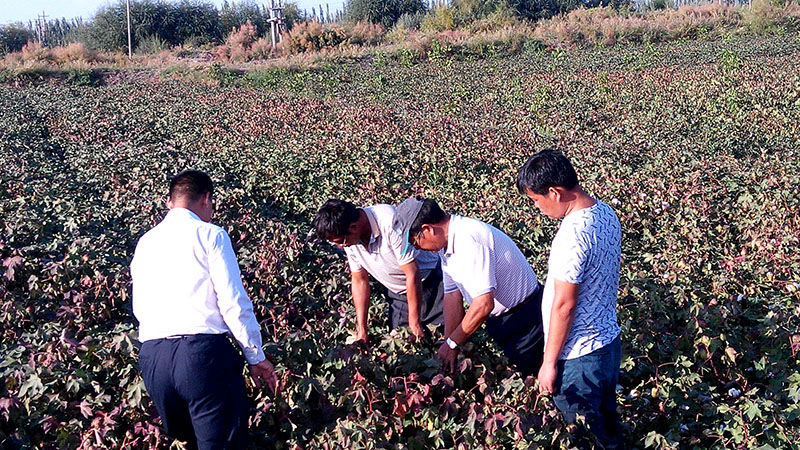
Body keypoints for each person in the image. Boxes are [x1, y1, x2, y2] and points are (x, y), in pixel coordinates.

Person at [131, 170, 277, 450]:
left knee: (188, 441)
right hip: (202, 356)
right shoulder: (210, 234)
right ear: (207, 199)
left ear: (169, 202)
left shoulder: (146, 241)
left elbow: (140, 306)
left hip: (153, 359)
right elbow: (232, 301)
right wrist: (255, 355)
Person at [517, 149, 623, 449]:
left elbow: (565, 305)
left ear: (555, 192)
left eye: (537, 200)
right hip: (607, 345)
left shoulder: (573, 235)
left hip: (579, 357)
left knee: (582, 439)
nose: (537, 208)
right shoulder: (605, 212)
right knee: (608, 431)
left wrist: (548, 363)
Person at [392, 197, 544, 376]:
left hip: (527, 321)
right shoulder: (445, 246)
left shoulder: (468, 240)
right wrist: (449, 344)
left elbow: (484, 304)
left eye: (414, 242)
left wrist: (452, 343)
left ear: (427, 230)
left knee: (541, 378)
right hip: (503, 321)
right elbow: (451, 295)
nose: (417, 248)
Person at [313, 199, 444, 343]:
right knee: (403, 346)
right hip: (398, 294)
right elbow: (359, 280)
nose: (340, 247)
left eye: (340, 242)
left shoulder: (390, 221)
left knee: (442, 340)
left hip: (432, 284)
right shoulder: (349, 239)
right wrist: (362, 329)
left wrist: (414, 323)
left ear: (353, 227)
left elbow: (412, 273)